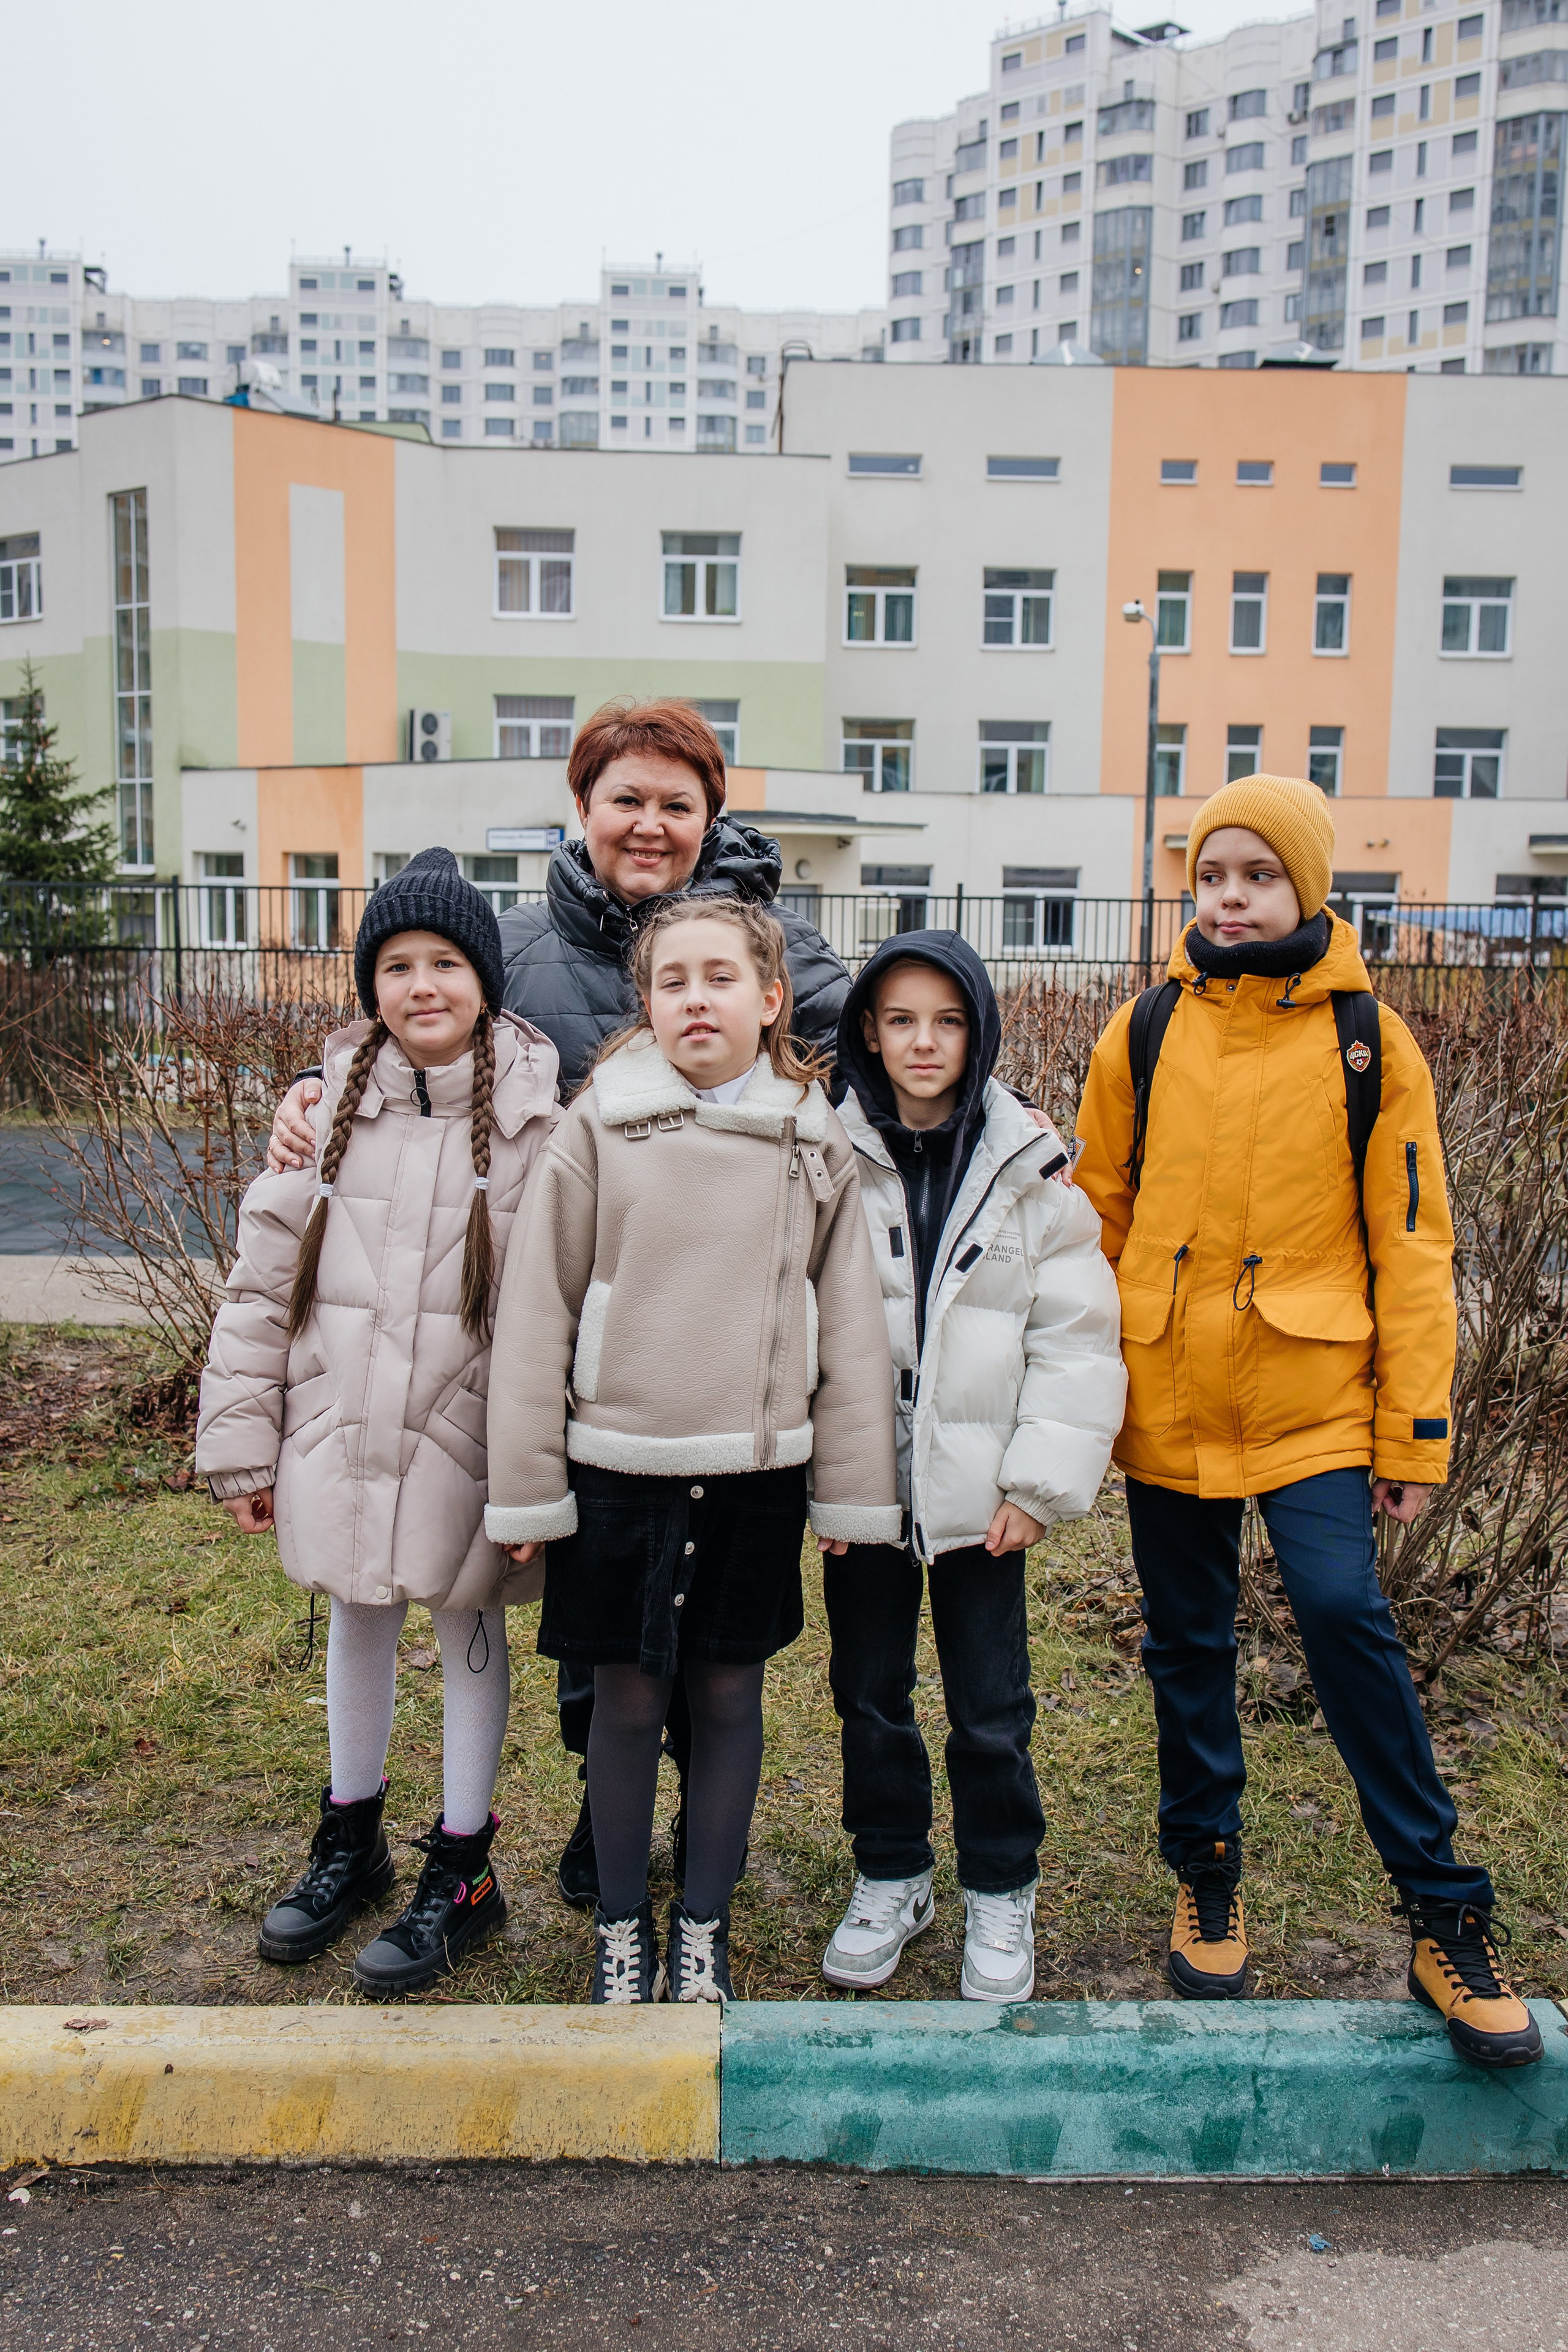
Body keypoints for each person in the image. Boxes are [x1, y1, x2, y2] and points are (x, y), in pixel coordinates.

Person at [263, 700, 851, 1909]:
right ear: (581, 808)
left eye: (675, 804)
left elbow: (895, 1062)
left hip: (717, 1345)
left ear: (708, 819)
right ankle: (603, 1810)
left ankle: (678, 1822)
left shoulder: (776, 952)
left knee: (710, 1625)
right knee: (601, 1615)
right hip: (559, 1339)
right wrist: (310, 1088)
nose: (648, 824)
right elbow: (417, 1044)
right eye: (624, 798)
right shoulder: (518, 950)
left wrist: (997, 1111)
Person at [1073, 775, 1541, 2068]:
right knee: (1186, 1639)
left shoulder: (1365, 1042)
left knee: (1342, 1618)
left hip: (1313, 1396)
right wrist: (1071, 1388)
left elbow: (1413, 1242)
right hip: (1164, 1383)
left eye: (1257, 875)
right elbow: (1090, 1217)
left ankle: (1444, 1913)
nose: (1229, 897)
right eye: (1211, 874)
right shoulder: (1145, 1031)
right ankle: (1206, 1865)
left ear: (1308, 887)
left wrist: (1415, 1432)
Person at [484, 898, 899, 2002]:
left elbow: (851, 1326)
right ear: (648, 1003)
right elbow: (537, 1315)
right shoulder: (599, 1125)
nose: (696, 999)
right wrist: (526, 1495)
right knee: (622, 1701)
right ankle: (624, 1928)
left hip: (757, 1474)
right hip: (620, 1463)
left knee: (726, 1696)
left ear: (771, 1001)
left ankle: (702, 1927)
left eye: (722, 979)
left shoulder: (814, 1137)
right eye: (674, 981)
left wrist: (854, 1500)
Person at [195, 849, 560, 1997]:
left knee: (465, 1630)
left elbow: (556, 1321)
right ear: (370, 986)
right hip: (338, 1433)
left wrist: (534, 1479)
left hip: (465, 1446)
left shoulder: (538, 1128)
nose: (421, 987)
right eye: (396, 965)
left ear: (486, 982)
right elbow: (259, 1296)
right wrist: (242, 1443)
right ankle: (348, 1839)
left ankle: (464, 1866)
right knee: (357, 1616)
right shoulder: (322, 1123)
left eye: (446, 962)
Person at [818, 932, 1126, 2002]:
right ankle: (891, 1870)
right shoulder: (825, 1154)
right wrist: (824, 1475)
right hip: (862, 1487)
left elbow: (1076, 1338)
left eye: (948, 1022)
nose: (923, 1042)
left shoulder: (1029, 1171)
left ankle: (1002, 1886)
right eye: (901, 1019)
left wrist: (1036, 1486)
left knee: (989, 1706)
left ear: (980, 1033)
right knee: (869, 1693)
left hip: (983, 1500)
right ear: (868, 1028)